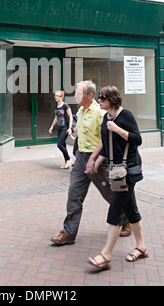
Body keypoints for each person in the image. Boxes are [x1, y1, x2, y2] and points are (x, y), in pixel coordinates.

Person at [51, 80, 130, 246]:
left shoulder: (99, 113)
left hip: (98, 160)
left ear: (90, 95)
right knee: (74, 193)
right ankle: (69, 233)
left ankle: (126, 219)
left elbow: (107, 139)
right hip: (81, 158)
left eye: (79, 94)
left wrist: (95, 159)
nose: (76, 96)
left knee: (109, 193)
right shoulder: (81, 109)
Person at [88, 85, 147, 270]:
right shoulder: (106, 117)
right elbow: (107, 145)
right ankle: (141, 247)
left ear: (112, 99)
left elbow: (137, 139)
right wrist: (96, 162)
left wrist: (117, 129)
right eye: (99, 98)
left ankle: (106, 255)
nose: (99, 101)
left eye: (102, 98)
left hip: (129, 168)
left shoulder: (125, 115)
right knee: (131, 209)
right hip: (116, 169)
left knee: (115, 210)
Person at [49, 90, 73, 169]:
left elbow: (70, 117)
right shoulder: (56, 107)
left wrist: (69, 128)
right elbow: (56, 118)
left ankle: (69, 159)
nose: (56, 97)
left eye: (58, 96)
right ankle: (66, 162)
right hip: (59, 128)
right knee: (63, 145)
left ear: (62, 97)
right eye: (55, 96)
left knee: (59, 144)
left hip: (65, 128)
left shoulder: (65, 106)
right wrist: (52, 127)